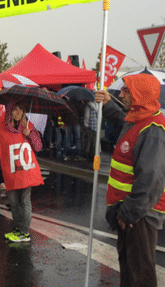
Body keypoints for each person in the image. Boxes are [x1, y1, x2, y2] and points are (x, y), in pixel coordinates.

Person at [96, 74, 165, 287]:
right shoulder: (139, 118)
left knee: (140, 274)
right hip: (130, 211)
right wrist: (108, 104)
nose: (122, 93)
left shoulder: (153, 130)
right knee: (128, 268)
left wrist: (128, 213)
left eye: (127, 90)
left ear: (139, 95)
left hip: (139, 214)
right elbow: (123, 122)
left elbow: (151, 180)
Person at [0, 102, 43, 243]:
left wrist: (31, 135)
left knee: (25, 201)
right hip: (10, 172)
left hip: (25, 171)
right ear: (10, 112)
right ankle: (19, 227)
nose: (17, 113)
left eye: (20, 110)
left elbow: (38, 147)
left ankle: (25, 232)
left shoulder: (29, 127)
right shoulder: (3, 128)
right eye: (14, 110)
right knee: (14, 202)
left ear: (23, 112)